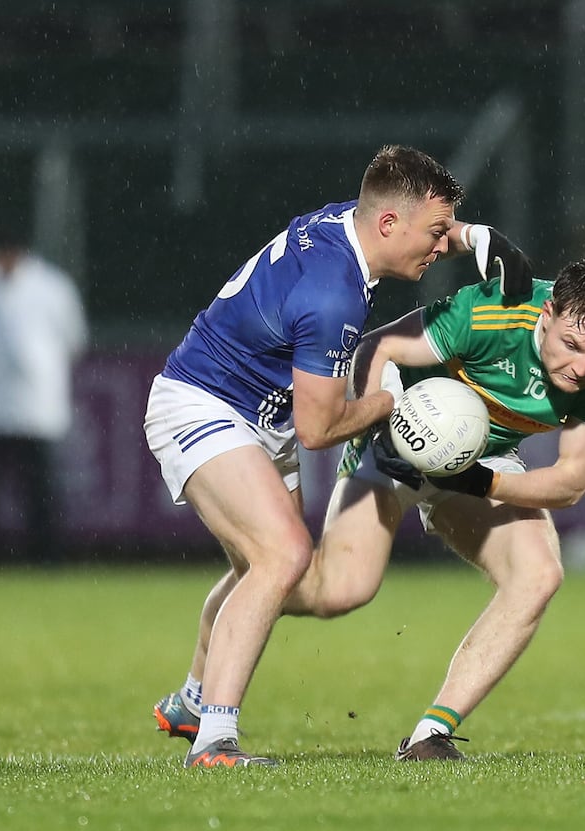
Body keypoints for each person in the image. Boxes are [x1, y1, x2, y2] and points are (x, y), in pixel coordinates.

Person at [145, 144, 534, 768]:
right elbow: (321, 429)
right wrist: (393, 404)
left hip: (257, 416)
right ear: (388, 226)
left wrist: (471, 236)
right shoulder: (335, 297)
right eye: (434, 235)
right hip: (204, 404)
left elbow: (398, 208)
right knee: (283, 555)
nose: (439, 248)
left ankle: (193, 700)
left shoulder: (343, 226)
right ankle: (215, 743)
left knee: (287, 576)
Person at [280, 253, 585, 760]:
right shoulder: (494, 311)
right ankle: (238, 612)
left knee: (539, 575)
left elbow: (571, 481)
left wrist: (481, 481)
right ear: (548, 313)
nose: (581, 368)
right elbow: (375, 347)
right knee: (337, 591)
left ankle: (431, 735)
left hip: (482, 465)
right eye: (572, 345)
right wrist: (377, 417)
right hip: (393, 449)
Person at [0, 222, 88, 563]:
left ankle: (47, 557)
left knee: (41, 491)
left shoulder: (51, 287)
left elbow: (73, 339)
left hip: (38, 407)